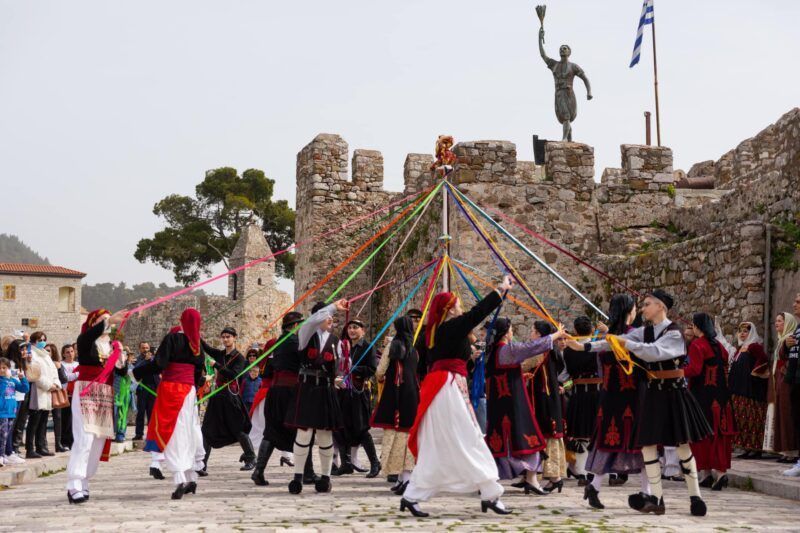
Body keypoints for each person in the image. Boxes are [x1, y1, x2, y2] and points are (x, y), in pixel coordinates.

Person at [568, 290, 711, 517]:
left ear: (661, 306)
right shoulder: (645, 331)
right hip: (653, 395)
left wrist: (625, 343)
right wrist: (584, 347)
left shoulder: (674, 333)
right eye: (642, 305)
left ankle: (695, 497)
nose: (643, 308)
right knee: (647, 446)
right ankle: (656, 498)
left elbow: (654, 352)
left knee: (682, 446)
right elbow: (612, 343)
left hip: (674, 394)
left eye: (647, 304)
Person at [401, 276, 514, 518]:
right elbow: (477, 313)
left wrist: (467, 358)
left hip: (443, 386)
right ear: (450, 309)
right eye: (458, 304)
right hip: (447, 389)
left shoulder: (435, 332)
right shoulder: (451, 327)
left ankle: (413, 495)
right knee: (469, 437)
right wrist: (500, 290)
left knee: (442, 442)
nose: (461, 308)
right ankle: (490, 493)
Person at [485, 317, 568, 495]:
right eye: (511, 329)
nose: (512, 332)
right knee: (530, 439)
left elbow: (502, 376)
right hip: (513, 405)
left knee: (506, 441)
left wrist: (519, 377)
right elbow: (531, 347)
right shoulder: (507, 349)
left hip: (499, 405)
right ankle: (530, 479)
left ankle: (528, 479)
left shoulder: (493, 351)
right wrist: (556, 335)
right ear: (505, 333)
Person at [582, 294, 648, 510]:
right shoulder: (634, 336)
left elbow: (601, 369)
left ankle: (595, 485)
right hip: (632, 397)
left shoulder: (607, 338)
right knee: (643, 445)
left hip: (609, 395)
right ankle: (647, 492)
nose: (637, 311)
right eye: (635, 308)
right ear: (629, 310)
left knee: (609, 442)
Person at [134, 308, 207, 499]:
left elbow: (159, 363)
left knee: (172, 431)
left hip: (172, 390)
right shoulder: (197, 344)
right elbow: (199, 372)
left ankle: (180, 477)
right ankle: (191, 478)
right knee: (189, 430)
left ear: (181, 321)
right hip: (189, 392)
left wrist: (137, 372)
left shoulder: (173, 339)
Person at [285, 300, 349, 494]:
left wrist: (339, 376)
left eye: (331, 316)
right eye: (326, 315)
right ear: (316, 317)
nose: (330, 319)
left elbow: (340, 366)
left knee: (324, 434)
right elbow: (312, 320)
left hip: (326, 390)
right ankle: (297, 477)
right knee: (303, 433)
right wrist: (333, 307)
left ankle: (325, 477)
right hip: (307, 389)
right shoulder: (306, 334)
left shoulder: (336, 342)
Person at [65, 308, 128, 504]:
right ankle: (74, 483)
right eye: (103, 320)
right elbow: (86, 337)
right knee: (85, 437)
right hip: (87, 391)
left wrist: (121, 359)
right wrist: (109, 321)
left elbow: (121, 372)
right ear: (93, 323)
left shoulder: (111, 346)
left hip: (104, 394)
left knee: (98, 439)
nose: (108, 322)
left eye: (109, 319)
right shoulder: (86, 342)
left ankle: (84, 480)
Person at [251, 312, 306, 487]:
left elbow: (267, 370)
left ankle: (258, 470)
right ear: (295, 325)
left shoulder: (277, 343)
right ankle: (307, 472)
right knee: (300, 430)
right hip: (290, 391)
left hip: (275, 391)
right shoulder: (296, 342)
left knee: (272, 431)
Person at [685, 313, 736, 491]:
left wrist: (678, 370)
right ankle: (712, 474)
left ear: (697, 327)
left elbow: (694, 369)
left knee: (702, 434)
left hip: (703, 396)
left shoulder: (697, 345)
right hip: (721, 396)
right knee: (719, 433)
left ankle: (710, 473)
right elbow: (726, 363)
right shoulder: (719, 345)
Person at [371, 316, 420, 494]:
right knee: (407, 435)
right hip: (412, 394)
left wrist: (381, 378)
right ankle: (403, 478)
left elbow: (380, 370)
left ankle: (405, 480)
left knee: (395, 435)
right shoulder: (414, 348)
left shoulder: (392, 346)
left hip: (395, 394)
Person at [200, 327, 255, 473]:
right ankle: (202, 464)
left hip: (231, 396)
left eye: (228, 337)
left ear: (234, 338)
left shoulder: (240, 358)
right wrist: (193, 333)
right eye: (223, 337)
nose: (225, 339)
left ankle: (251, 458)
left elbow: (233, 375)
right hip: (217, 396)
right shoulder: (220, 354)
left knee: (238, 428)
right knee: (207, 429)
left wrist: (216, 365)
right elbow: (206, 347)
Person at [334, 318, 380, 478]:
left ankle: (375, 463)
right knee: (341, 427)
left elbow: (372, 369)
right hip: (343, 392)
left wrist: (353, 368)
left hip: (359, 392)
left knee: (361, 428)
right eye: (350, 328)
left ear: (363, 330)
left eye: (355, 327)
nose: (352, 330)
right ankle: (346, 464)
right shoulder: (344, 347)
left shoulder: (368, 347)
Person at [527, 321, 568, 494]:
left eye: (533, 331)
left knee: (546, 433)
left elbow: (523, 364)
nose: (531, 334)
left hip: (544, 399)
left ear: (539, 335)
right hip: (547, 397)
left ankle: (554, 477)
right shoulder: (549, 350)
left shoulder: (541, 352)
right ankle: (539, 477)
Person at [563, 316, 601, 486]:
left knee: (581, 436)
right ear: (591, 330)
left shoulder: (568, 351)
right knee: (595, 434)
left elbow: (564, 376)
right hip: (597, 395)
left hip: (578, 395)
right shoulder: (598, 348)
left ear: (576, 331)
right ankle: (593, 472)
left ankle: (583, 473)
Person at [724, 322, 768, 459]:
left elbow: (763, 359)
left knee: (752, 419)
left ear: (751, 332)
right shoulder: (741, 348)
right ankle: (747, 448)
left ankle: (756, 449)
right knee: (741, 419)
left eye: (745, 331)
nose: (742, 333)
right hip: (739, 389)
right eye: (740, 331)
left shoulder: (754, 346)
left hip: (751, 390)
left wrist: (754, 373)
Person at [764, 312, 799, 462]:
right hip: (779, 381)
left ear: (788, 323)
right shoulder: (782, 340)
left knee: (787, 415)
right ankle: (785, 450)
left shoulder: (790, 338)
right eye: (776, 321)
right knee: (781, 415)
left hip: (786, 381)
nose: (776, 323)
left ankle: (792, 451)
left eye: (780, 321)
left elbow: (790, 359)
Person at [25, 332, 62, 459]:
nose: (42, 341)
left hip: (48, 392)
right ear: (33, 341)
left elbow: (54, 371)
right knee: (34, 421)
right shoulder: (32, 354)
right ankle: (30, 449)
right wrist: (48, 385)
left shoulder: (46, 355)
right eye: (39, 339)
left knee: (43, 421)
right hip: (38, 391)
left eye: (44, 339)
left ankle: (41, 447)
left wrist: (56, 384)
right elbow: (34, 373)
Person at [781, 293, 800, 476]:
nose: (794, 304)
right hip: (794, 380)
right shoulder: (798, 328)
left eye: (798, 302)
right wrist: (787, 345)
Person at [0, 356, 29, 466]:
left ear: (8, 368)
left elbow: (24, 389)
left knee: (7, 435)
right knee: (2, 435)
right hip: (2, 413)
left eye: (4, 368)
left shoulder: (12, 381)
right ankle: (1, 456)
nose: (2, 370)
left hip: (11, 412)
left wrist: (22, 378)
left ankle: (4, 455)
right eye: (0, 368)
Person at [133, 342, 159, 441]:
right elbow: (136, 369)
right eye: (143, 348)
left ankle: (152, 434)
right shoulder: (138, 360)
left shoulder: (154, 358)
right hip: (142, 387)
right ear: (140, 349)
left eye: (147, 348)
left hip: (153, 387)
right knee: (141, 412)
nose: (145, 350)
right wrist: (145, 360)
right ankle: (139, 434)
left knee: (151, 412)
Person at [61, 345, 79, 450]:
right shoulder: (62, 364)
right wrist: (76, 374)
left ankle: (73, 441)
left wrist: (74, 375)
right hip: (65, 393)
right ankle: (64, 442)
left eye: (72, 351)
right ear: (63, 354)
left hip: (76, 393)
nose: (70, 354)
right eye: (67, 352)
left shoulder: (77, 364)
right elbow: (65, 377)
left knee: (75, 419)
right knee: (66, 418)